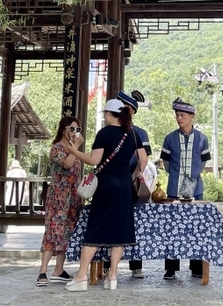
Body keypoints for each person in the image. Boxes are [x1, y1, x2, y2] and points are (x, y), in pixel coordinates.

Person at [64, 99, 147, 292]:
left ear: (110, 114)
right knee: (120, 231)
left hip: (106, 185)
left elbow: (94, 160)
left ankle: (81, 276)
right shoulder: (133, 134)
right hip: (125, 187)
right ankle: (113, 277)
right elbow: (143, 159)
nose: (104, 117)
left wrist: (75, 151)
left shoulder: (104, 133)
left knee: (95, 228)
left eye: (105, 114)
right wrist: (132, 176)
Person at [159, 97, 211, 280]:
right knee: (172, 229)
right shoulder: (169, 138)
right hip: (173, 190)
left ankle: (196, 267)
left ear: (191, 116)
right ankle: (171, 268)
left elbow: (204, 161)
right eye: (177, 115)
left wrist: (194, 176)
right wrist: (175, 175)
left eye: (182, 115)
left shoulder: (202, 139)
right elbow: (165, 163)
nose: (178, 118)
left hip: (196, 190)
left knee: (196, 229)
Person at [37, 116, 84, 287]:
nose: (74, 133)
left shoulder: (75, 150)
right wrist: (76, 147)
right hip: (58, 197)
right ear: (63, 129)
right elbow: (66, 164)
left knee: (67, 232)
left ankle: (58, 269)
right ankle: (42, 271)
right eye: (72, 129)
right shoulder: (57, 148)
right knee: (52, 232)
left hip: (73, 197)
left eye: (77, 129)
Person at [116, 90, 154, 278]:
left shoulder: (140, 133)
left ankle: (136, 265)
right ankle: (107, 265)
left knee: (135, 224)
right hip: (114, 183)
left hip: (130, 183)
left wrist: (134, 175)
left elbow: (143, 160)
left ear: (131, 111)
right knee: (113, 223)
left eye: (125, 108)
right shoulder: (107, 130)